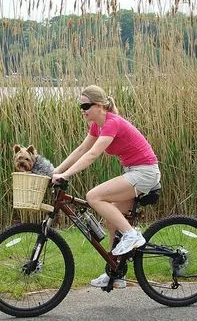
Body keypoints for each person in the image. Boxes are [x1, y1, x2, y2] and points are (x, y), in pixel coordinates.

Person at [52, 85, 160, 289]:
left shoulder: (112, 123)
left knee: (93, 197)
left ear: (100, 105)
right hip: (133, 172)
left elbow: (92, 155)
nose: (83, 110)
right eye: (80, 106)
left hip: (145, 172)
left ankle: (132, 235)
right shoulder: (97, 125)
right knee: (111, 220)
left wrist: (65, 175)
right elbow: (83, 149)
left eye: (86, 105)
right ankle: (115, 273)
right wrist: (55, 171)